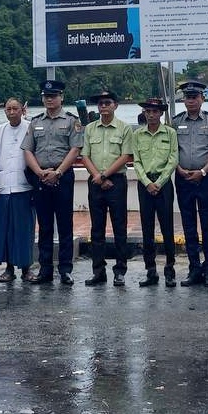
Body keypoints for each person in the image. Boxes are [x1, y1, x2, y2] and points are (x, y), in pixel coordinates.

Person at [22, 79, 83, 285]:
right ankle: (45, 269)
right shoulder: (35, 122)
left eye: (53, 96)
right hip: (41, 178)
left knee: (65, 224)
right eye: (46, 96)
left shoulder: (71, 121)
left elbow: (75, 149)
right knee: (45, 225)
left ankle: (65, 269)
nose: (49, 99)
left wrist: (58, 172)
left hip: (62, 177)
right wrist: (40, 172)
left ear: (61, 97)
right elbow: (27, 150)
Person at [80, 89, 133, 287]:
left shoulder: (124, 128)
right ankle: (98, 272)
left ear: (115, 105)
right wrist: (98, 177)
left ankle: (120, 271)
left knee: (119, 228)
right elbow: (85, 155)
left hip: (116, 181)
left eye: (107, 103)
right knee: (97, 229)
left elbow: (125, 156)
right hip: (95, 182)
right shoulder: (90, 128)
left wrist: (105, 176)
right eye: (100, 103)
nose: (103, 106)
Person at [172, 80, 208, 287]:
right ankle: (194, 269)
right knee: (189, 225)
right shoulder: (175, 122)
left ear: (202, 99)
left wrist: (202, 172)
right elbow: (171, 150)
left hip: (205, 178)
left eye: (194, 97)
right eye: (187, 97)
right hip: (183, 178)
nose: (190, 101)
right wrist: (179, 169)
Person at [130, 97, 178, 287]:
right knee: (147, 228)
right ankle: (150, 271)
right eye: (148, 111)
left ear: (161, 113)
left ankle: (170, 270)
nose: (151, 115)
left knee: (167, 228)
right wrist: (147, 182)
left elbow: (173, 159)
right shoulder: (137, 134)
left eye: (155, 111)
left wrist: (158, 182)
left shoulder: (170, 133)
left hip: (163, 184)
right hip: (145, 184)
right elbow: (136, 161)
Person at [0, 97, 33, 283]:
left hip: (23, 185)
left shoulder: (30, 127)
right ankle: (9, 268)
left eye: (15, 108)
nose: (12, 112)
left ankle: (26, 268)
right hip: (3, 186)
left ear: (22, 110)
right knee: (5, 229)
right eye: (8, 109)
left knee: (24, 229)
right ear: (4, 111)